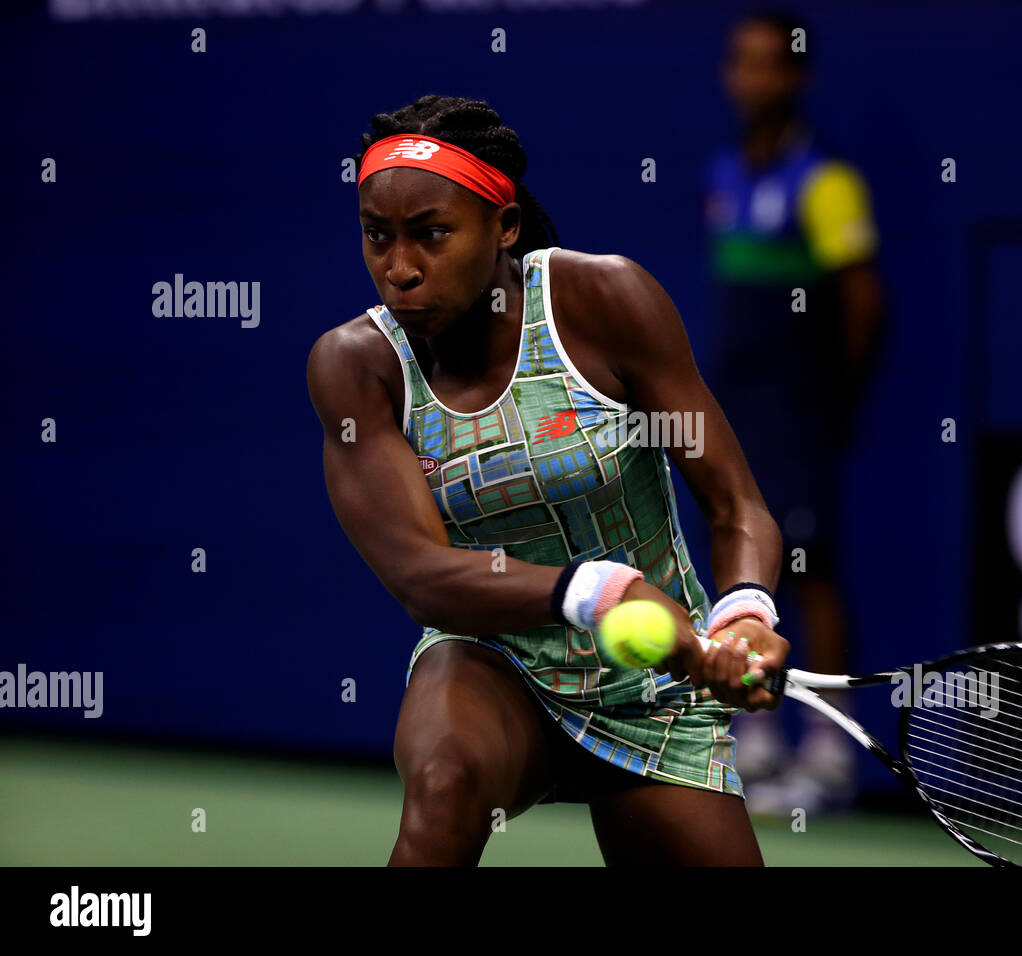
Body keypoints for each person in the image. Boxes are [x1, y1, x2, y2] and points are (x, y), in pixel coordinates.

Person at [306, 93, 792, 865]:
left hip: (656, 687)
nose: (399, 270)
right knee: (444, 782)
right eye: (377, 237)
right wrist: (598, 591)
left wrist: (742, 613)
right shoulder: (357, 367)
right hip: (494, 664)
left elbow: (736, 505)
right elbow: (422, 578)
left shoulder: (604, 301)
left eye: (432, 235)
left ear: (504, 226)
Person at [704, 10, 887, 814]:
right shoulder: (724, 171)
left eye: (770, 65)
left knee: (812, 570)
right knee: (739, 558)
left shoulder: (827, 181)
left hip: (800, 406)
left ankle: (830, 753)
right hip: (737, 404)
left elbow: (862, 297)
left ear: (796, 77)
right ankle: (758, 743)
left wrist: (834, 399)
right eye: (741, 63)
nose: (754, 80)